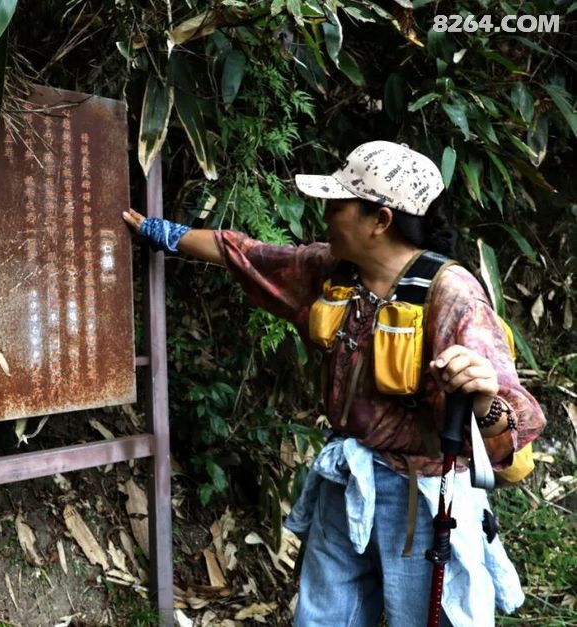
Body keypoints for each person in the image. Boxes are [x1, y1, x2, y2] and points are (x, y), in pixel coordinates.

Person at [123, 141, 545, 627]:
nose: (325, 213)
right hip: (347, 474)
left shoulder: (453, 296)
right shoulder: (334, 271)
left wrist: (485, 401)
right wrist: (163, 234)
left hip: (420, 494)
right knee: (323, 616)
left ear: (380, 219)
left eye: (338, 204)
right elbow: (245, 255)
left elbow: (511, 417)